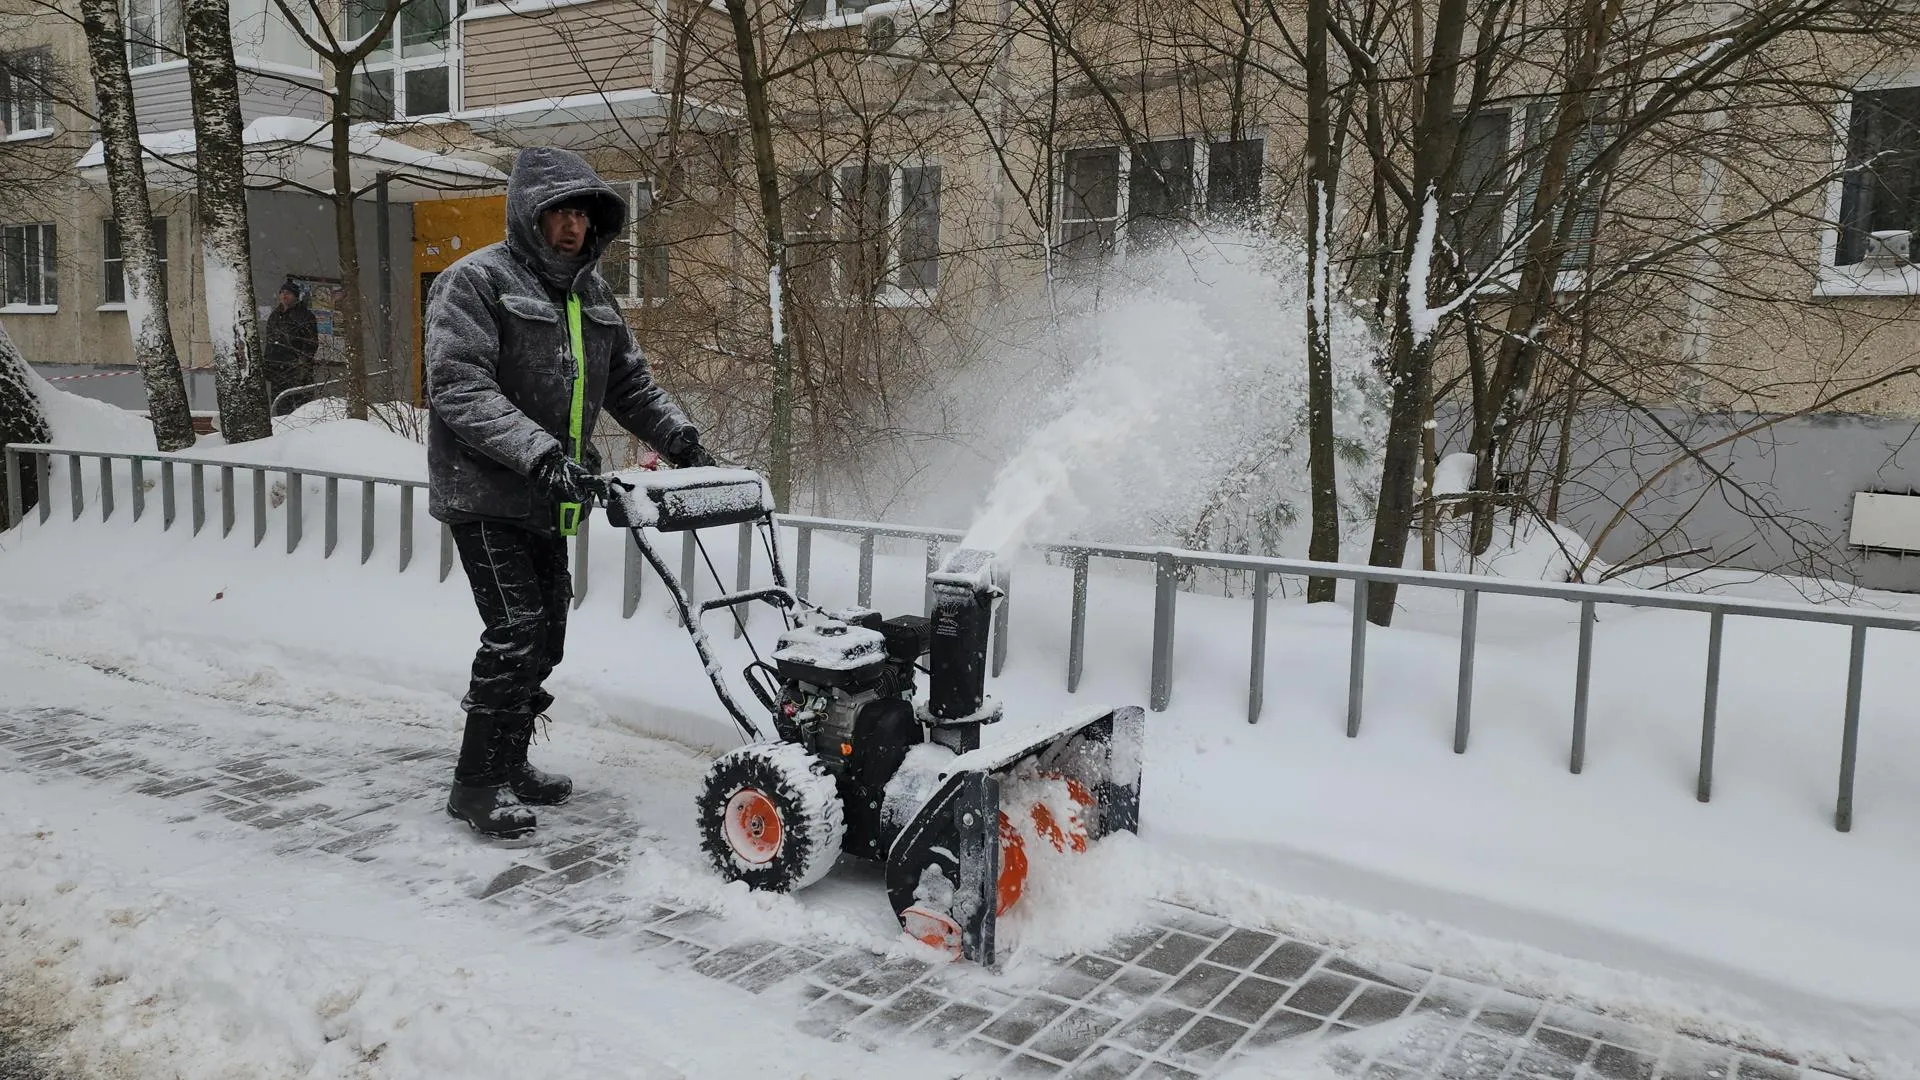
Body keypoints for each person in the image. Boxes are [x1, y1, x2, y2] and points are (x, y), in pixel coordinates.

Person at [424, 147, 716, 840]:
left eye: (583, 214)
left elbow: (628, 385)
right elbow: (459, 387)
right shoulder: (475, 283)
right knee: (515, 629)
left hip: (551, 496)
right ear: (529, 214)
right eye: (558, 212)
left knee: (547, 635)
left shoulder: (592, 297)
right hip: (485, 491)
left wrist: (679, 438)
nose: (571, 227)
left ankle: (511, 760)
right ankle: (476, 782)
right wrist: (543, 455)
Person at [264, 278, 319, 416]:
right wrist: (267, 365)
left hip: (297, 371)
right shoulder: (275, 316)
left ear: (295, 295)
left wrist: (302, 363)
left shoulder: (305, 316)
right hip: (277, 371)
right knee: (280, 410)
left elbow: (311, 343)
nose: (284, 296)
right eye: (282, 292)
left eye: (288, 293)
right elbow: (269, 342)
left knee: (301, 411)